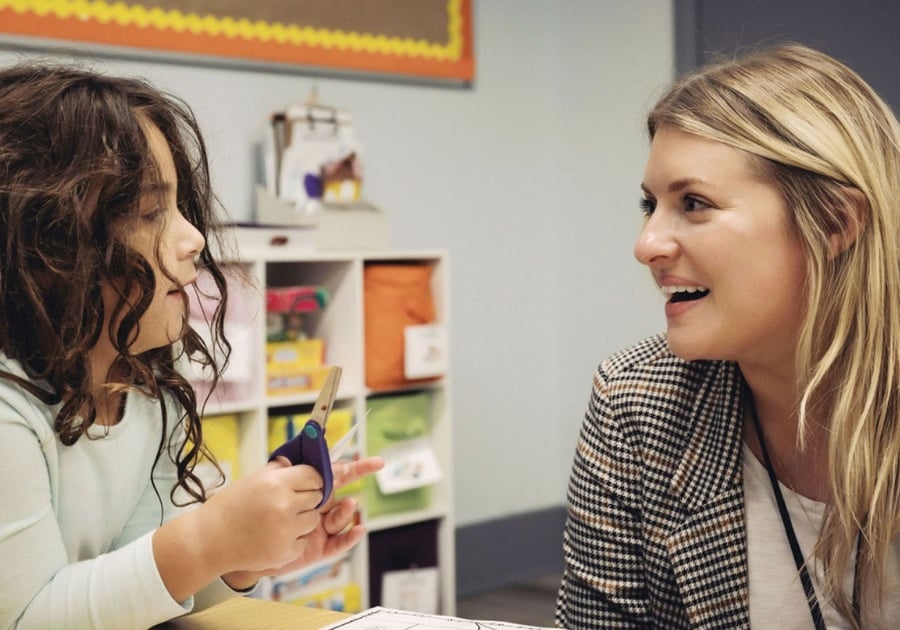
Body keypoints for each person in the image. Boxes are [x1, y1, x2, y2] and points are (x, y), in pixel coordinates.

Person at [0, 62, 383, 629]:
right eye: (153, 212)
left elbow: (134, 592)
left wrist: (242, 557)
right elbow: (29, 618)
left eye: (181, 206)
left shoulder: (144, 387)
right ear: (49, 242)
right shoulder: (9, 411)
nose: (195, 237)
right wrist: (208, 538)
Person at [556, 44, 900, 629]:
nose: (646, 245)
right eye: (650, 204)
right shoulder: (637, 401)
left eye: (694, 203)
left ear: (836, 223)